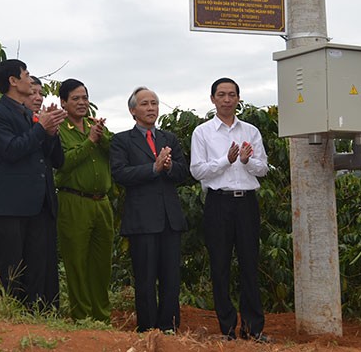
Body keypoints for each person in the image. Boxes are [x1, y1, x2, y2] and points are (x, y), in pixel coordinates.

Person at [189, 77, 270, 342]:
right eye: (221, 94)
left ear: (238, 99)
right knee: (220, 265)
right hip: (218, 202)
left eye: (231, 94)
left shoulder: (251, 131)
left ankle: (253, 329)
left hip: (246, 202)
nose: (226, 99)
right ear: (212, 99)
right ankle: (227, 330)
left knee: (249, 264)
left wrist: (247, 161)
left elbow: (263, 169)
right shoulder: (202, 132)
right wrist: (227, 160)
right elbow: (197, 170)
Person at [0, 59, 66, 309]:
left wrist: (50, 132)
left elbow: (47, 157)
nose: (31, 80)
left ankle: (36, 316)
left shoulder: (30, 114)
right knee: (12, 268)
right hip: (9, 205)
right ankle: (11, 315)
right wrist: (42, 128)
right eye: (27, 75)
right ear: (13, 81)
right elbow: (11, 150)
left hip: (37, 203)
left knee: (37, 266)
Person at [110, 86, 188, 332]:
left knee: (170, 279)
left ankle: (170, 327)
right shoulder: (122, 140)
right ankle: (147, 329)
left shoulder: (169, 139)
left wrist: (167, 167)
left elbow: (184, 172)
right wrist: (152, 168)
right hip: (141, 220)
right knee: (145, 278)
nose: (151, 108)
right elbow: (120, 173)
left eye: (154, 103)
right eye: (144, 103)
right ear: (133, 110)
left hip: (170, 219)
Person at [55, 78, 114, 321]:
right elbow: (63, 163)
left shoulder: (95, 125)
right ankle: (81, 316)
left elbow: (116, 154)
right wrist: (90, 141)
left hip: (102, 202)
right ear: (63, 102)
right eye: (76, 99)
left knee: (101, 264)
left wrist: (102, 136)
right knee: (77, 262)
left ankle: (102, 316)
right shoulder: (58, 129)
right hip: (73, 200)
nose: (82, 103)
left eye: (85, 98)